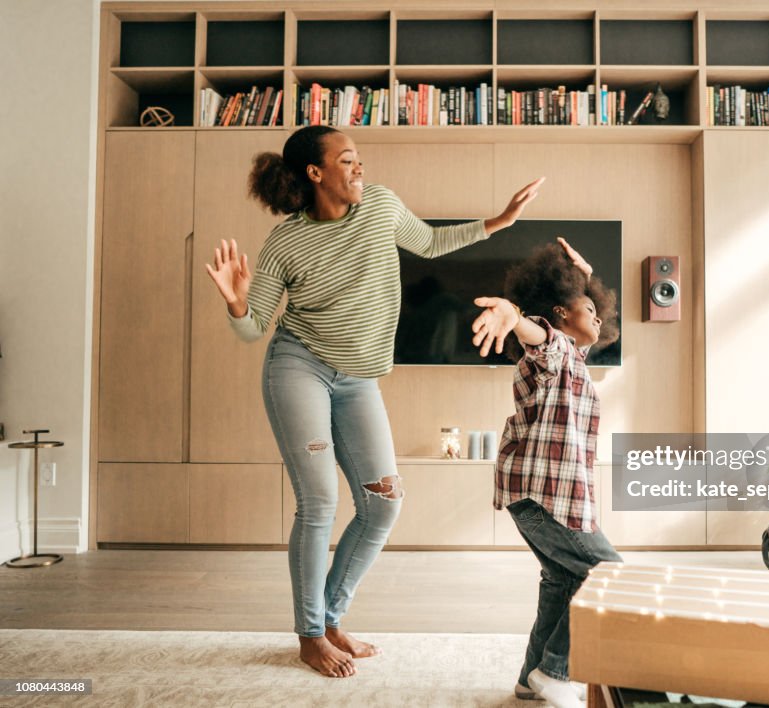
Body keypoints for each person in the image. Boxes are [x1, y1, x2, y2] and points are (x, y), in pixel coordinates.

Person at [205, 125, 544, 678]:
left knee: (383, 503)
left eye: (359, 160)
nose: (359, 168)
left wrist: (498, 221)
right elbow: (254, 329)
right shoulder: (285, 242)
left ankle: (331, 618)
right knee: (318, 503)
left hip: (359, 379)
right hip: (300, 367)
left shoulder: (381, 206)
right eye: (347, 160)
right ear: (316, 173)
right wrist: (240, 305)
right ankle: (310, 635)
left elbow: (431, 242)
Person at [471, 237, 621, 708]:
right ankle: (555, 671)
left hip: (540, 496)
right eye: (587, 308)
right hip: (543, 497)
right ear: (558, 314)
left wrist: (588, 275)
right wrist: (513, 317)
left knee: (563, 580)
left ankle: (529, 679)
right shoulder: (550, 354)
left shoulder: (575, 361)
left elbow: (582, 317)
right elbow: (534, 333)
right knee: (609, 573)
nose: (598, 316)